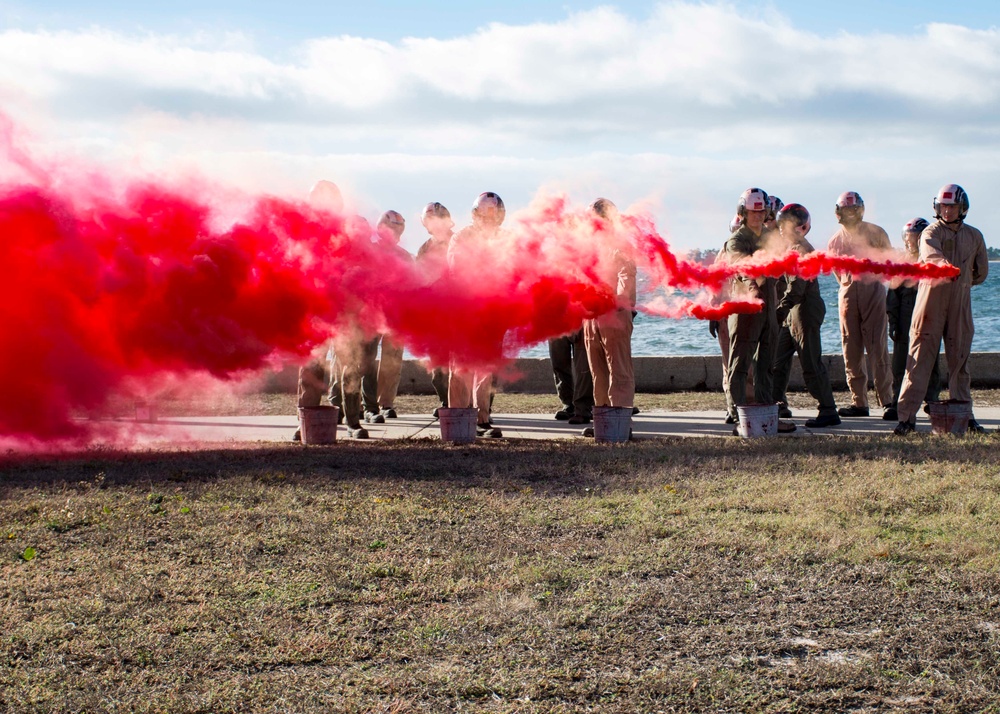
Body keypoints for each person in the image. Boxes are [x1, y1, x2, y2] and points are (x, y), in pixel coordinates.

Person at [894, 184, 989, 435]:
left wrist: (964, 279)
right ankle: (906, 419)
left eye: (952, 206)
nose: (947, 211)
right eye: (943, 206)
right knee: (919, 360)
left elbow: (982, 272)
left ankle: (965, 416)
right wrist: (946, 268)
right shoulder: (929, 232)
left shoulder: (975, 236)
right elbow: (930, 254)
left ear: (962, 208)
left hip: (960, 301)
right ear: (937, 207)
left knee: (960, 360)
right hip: (930, 302)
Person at [294, 180, 369, 440]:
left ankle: (352, 421)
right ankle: (306, 420)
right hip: (315, 311)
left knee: (349, 367)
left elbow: (362, 268)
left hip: (345, 311)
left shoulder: (349, 230)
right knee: (311, 369)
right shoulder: (303, 231)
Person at [770, 204, 841, 428]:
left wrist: (779, 311)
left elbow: (797, 287)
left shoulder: (799, 249)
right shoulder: (790, 247)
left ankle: (828, 410)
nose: (780, 228)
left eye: (784, 224)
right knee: (776, 361)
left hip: (804, 309)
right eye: (780, 224)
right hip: (793, 310)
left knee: (810, 363)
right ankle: (775, 404)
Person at [826, 191, 894, 418]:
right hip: (846, 295)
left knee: (878, 348)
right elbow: (837, 274)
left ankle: (888, 401)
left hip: (873, 291)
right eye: (846, 211)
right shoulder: (834, 241)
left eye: (854, 210)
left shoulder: (876, 233)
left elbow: (890, 262)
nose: (851, 214)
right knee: (851, 349)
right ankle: (859, 403)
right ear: (839, 212)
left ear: (860, 210)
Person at [721, 187, 784, 430]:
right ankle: (738, 414)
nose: (757, 216)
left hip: (769, 305)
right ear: (743, 213)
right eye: (752, 212)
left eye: (761, 211)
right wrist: (753, 287)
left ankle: (766, 410)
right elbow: (741, 266)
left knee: (767, 362)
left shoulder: (769, 237)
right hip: (746, 306)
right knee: (739, 362)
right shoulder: (737, 239)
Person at [447, 192, 507, 438]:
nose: (489, 220)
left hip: (492, 312)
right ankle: (458, 419)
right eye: (485, 215)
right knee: (461, 366)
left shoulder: (504, 239)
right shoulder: (461, 237)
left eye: (494, 215)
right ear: (475, 215)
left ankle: (482, 420)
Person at [581, 198, 636, 438]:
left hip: (614, 315)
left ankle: (620, 422)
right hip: (591, 319)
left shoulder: (619, 246)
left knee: (619, 372)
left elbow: (627, 278)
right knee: (599, 373)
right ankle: (603, 421)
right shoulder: (589, 249)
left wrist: (619, 300)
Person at [885, 218, 941, 421]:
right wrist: (892, 322)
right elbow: (892, 296)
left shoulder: (933, 260)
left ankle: (932, 400)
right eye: (907, 237)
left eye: (914, 237)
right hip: (904, 318)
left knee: (931, 360)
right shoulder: (902, 264)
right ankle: (896, 402)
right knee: (900, 363)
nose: (910, 242)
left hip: (928, 316)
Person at [360, 210, 412, 422]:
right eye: (390, 227)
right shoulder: (368, 252)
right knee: (367, 360)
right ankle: (369, 406)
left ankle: (387, 403)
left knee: (393, 360)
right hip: (371, 315)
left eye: (397, 228)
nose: (393, 231)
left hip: (395, 316)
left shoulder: (405, 256)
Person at [416, 201, 454, 418]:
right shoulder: (425, 248)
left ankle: (475, 407)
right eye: (429, 220)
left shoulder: (459, 242)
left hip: (458, 314)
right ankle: (447, 403)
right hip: (434, 316)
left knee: (465, 365)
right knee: (437, 368)